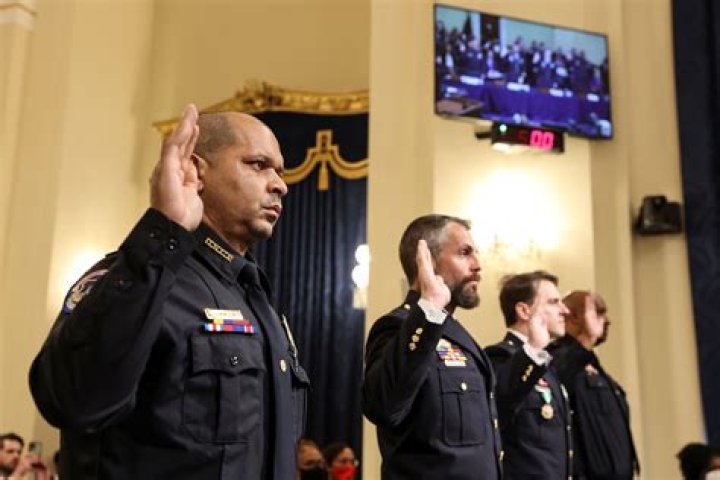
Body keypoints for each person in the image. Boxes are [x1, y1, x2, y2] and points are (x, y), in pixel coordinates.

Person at [29, 105, 310, 479]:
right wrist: (164, 229)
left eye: (280, 171)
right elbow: (72, 400)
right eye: (258, 165)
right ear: (196, 170)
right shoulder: (141, 274)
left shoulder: (256, 301)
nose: (279, 185)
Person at [362, 214, 502, 480]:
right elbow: (384, 407)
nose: (478, 265)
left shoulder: (456, 334)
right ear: (426, 260)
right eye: (464, 253)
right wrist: (429, 308)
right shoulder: (397, 327)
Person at [485, 271, 573, 479]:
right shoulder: (500, 358)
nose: (565, 310)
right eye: (553, 302)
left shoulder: (544, 363)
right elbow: (501, 402)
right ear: (524, 311)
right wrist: (532, 349)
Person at [548, 290, 639, 480]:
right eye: (598, 312)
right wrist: (583, 339)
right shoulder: (559, 359)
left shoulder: (593, 366)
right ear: (574, 316)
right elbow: (559, 379)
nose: (607, 321)